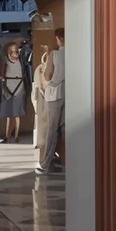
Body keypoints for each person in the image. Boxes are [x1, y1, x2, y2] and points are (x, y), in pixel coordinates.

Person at [37, 29, 66, 174]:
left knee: (52, 129)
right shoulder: (76, 53)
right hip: (70, 93)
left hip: (55, 94)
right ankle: (66, 162)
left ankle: (46, 163)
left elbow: (48, 75)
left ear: (60, 38)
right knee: (65, 128)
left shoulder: (54, 54)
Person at [0, 40, 30, 143]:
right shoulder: (6, 62)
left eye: (16, 51)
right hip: (9, 87)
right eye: (13, 52)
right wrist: (3, 88)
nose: (16, 54)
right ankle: (7, 135)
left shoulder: (21, 61)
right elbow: (3, 76)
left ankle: (16, 135)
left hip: (19, 87)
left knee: (17, 113)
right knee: (9, 114)